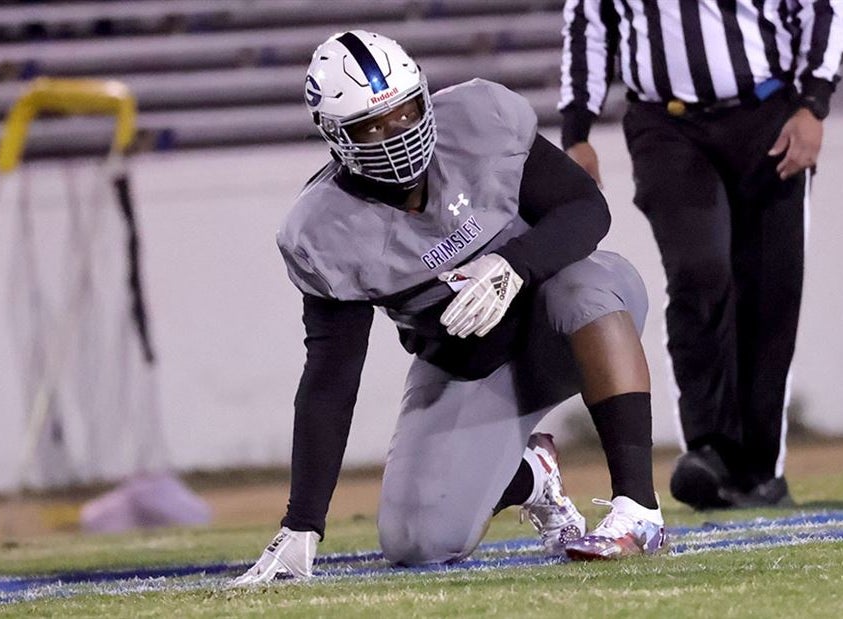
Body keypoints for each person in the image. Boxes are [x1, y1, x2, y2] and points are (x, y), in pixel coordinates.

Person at [231, 30, 666, 585]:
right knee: (417, 541)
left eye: (406, 111)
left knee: (585, 285)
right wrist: (303, 524)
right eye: (372, 125)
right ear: (335, 137)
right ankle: (531, 475)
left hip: (570, 323)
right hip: (468, 369)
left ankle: (639, 508)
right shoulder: (323, 231)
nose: (398, 135)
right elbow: (330, 380)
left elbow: (586, 209)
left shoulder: (480, 120)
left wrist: (513, 264)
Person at [559, 0, 843, 510]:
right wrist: (577, 132)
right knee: (698, 272)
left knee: (770, 291)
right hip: (665, 126)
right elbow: (589, 23)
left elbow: (821, 9)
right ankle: (710, 450)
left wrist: (812, 104)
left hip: (767, 114)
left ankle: (759, 471)